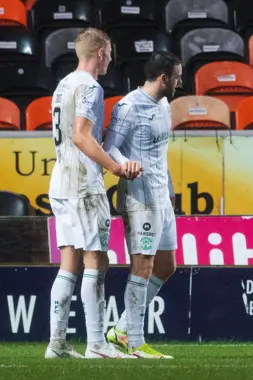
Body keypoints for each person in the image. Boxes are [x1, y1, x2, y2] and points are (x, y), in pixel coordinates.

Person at [46, 28, 141, 359]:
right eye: (110, 51)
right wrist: (114, 167)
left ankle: (56, 344)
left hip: (60, 180)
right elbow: (82, 136)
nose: (112, 58)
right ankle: (97, 344)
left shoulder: (63, 85)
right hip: (83, 183)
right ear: (101, 52)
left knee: (69, 262)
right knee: (96, 261)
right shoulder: (90, 86)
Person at [102, 51, 181, 359]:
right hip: (138, 195)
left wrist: (171, 188)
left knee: (166, 265)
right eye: (177, 76)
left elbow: (160, 151)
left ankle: (122, 329)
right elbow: (111, 148)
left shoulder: (164, 104)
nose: (180, 82)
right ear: (164, 78)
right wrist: (126, 164)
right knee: (143, 265)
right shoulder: (128, 106)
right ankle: (134, 341)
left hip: (162, 195)